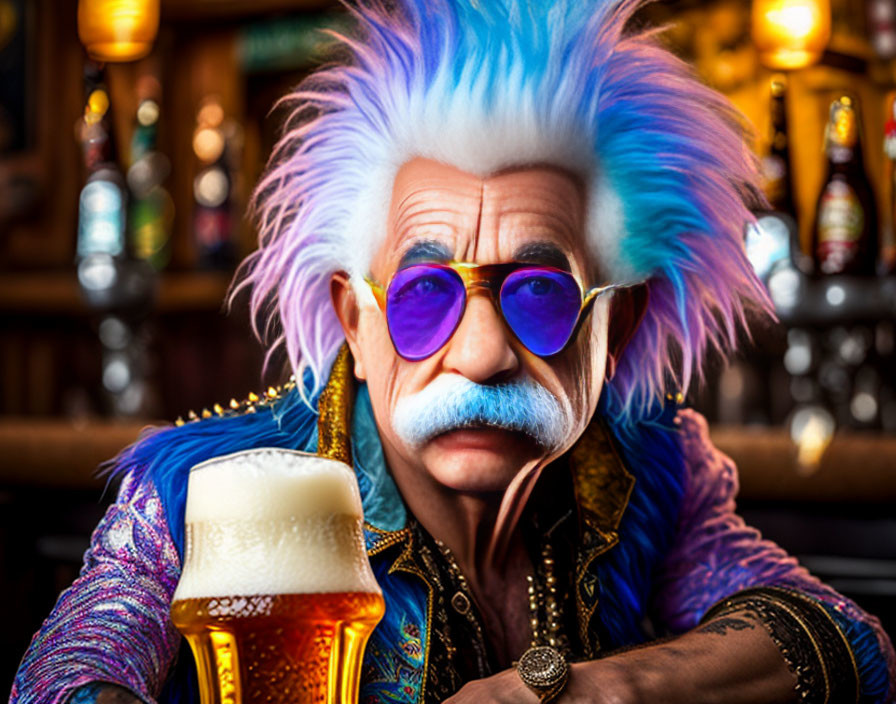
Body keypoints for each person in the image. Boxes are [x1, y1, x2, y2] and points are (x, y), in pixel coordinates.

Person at [11, 0, 896, 702]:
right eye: (426, 296)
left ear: (614, 328)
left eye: (539, 295)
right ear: (353, 318)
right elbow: (69, 671)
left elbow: (847, 641)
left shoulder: (646, 477)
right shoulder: (208, 485)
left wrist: (599, 690)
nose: (480, 354)